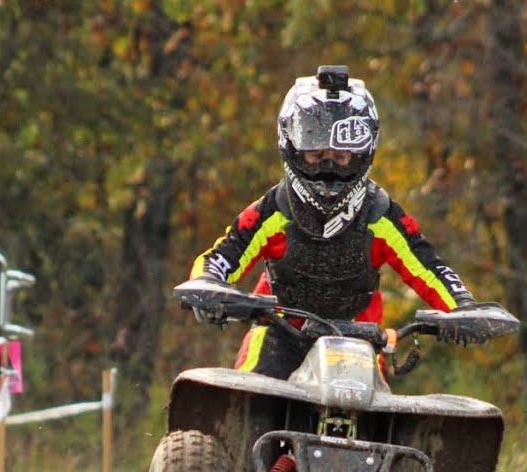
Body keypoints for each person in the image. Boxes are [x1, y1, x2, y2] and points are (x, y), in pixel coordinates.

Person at [189, 65, 478, 378]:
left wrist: (463, 308)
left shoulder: (380, 215)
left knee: (376, 409)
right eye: (316, 154)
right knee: (243, 392)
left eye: (340, 157)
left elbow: (430, 267)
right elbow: (222, 256)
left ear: (362, 154)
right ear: (293, 146)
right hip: (278, 330)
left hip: (358, 339)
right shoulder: (275, 210)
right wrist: (208, 287)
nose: (328, 167)